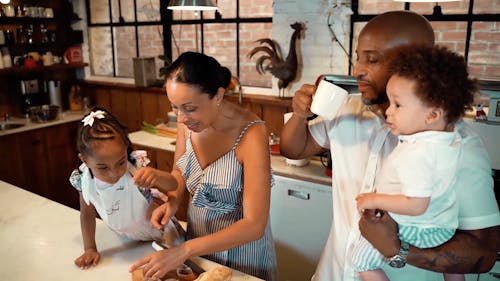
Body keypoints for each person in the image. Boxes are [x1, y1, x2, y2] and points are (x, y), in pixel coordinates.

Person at [279, 10, 500, 281]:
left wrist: (397, 250)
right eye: (358, 57)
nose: (358, 69)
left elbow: (484, 253)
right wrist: (300, 115)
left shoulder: (457, 145)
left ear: (415, 64)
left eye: (372, 59)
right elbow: (294, 150)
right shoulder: (348, 109)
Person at [129, 51, 277, 280]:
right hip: (199, 254)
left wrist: (185, 250)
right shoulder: (187, 123)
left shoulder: (252, 135)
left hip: (243, 259)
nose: (180, 118)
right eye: (174, 107)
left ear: (218, 95)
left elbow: (254, 224)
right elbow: (180, 172)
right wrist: (173, 202)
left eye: (189, 108)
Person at [351, 45, 476, 281]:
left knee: (360, 259)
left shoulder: (416, 152)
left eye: (398, 105)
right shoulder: (450, 139)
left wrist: (373, 199)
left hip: (419, 228)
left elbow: (417, 204)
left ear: (432, 115)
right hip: (445, 227)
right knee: (450, 267)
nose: (388, 111)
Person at [69, 106, 176, 270]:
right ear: (85, 160)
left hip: (162, 233)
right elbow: (87, 215)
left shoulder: (135, 169)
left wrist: (157, 176)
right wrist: (90, 248)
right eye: (103, 168)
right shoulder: (85, 181)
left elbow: (174, 184)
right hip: (131, 242)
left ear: (126, 148)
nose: (114, 173)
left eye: (120, 162)